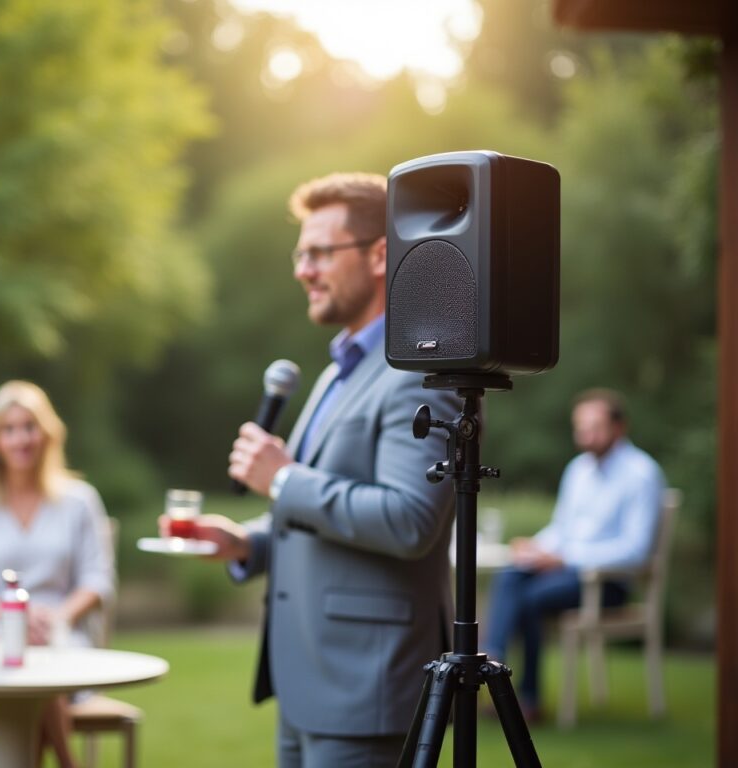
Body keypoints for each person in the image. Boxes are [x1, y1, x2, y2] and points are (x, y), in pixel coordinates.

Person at [187, 173, 461, 767]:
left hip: (366, 686)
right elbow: (320, 511)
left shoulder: (418, 372)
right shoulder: (340, 368)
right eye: (299, 255)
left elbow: (409, 520)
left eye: (318, 253)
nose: (302, 271)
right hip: (307, 682)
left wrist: (283, 479)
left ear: (379, 255)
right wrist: (247, 543)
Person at [0, 380, 115, 768]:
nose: (21, 439)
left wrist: (56, 619)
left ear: (47, 433)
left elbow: (98, 580)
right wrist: (13, 619)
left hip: (62, 633)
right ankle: (68, 762)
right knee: (25, 661)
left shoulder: (80, 501)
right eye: (9, 429)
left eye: (29, 427)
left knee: (43, 665)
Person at [484, 388, 666, 722]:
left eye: (595, 427)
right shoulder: (578, 469)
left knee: (530, 598)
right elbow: (562, 528)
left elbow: (636, 550)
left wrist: (567, 559)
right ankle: (493, 659)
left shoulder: (641, 473)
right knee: (510, 573)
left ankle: (527, 699)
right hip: (565, 572)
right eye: (580, 427)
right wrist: (536, 548)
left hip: (608, 583)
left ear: (619, 427)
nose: (586, 435)